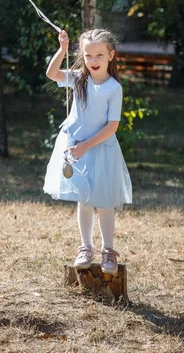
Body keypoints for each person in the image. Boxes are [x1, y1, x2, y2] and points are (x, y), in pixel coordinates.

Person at [44, 28, 132, 275]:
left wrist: (84, 146)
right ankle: (85, 248)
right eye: (88, 55)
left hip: (100, 150)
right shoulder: (78, 79)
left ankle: (109, 250)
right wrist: (62, 50)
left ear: (111, 56)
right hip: (76, 147)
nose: (93, 61)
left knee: (103, 202)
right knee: (84, 199)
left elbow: (112, 127)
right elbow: (51, 73)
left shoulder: (113, 88)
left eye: (99, 55)